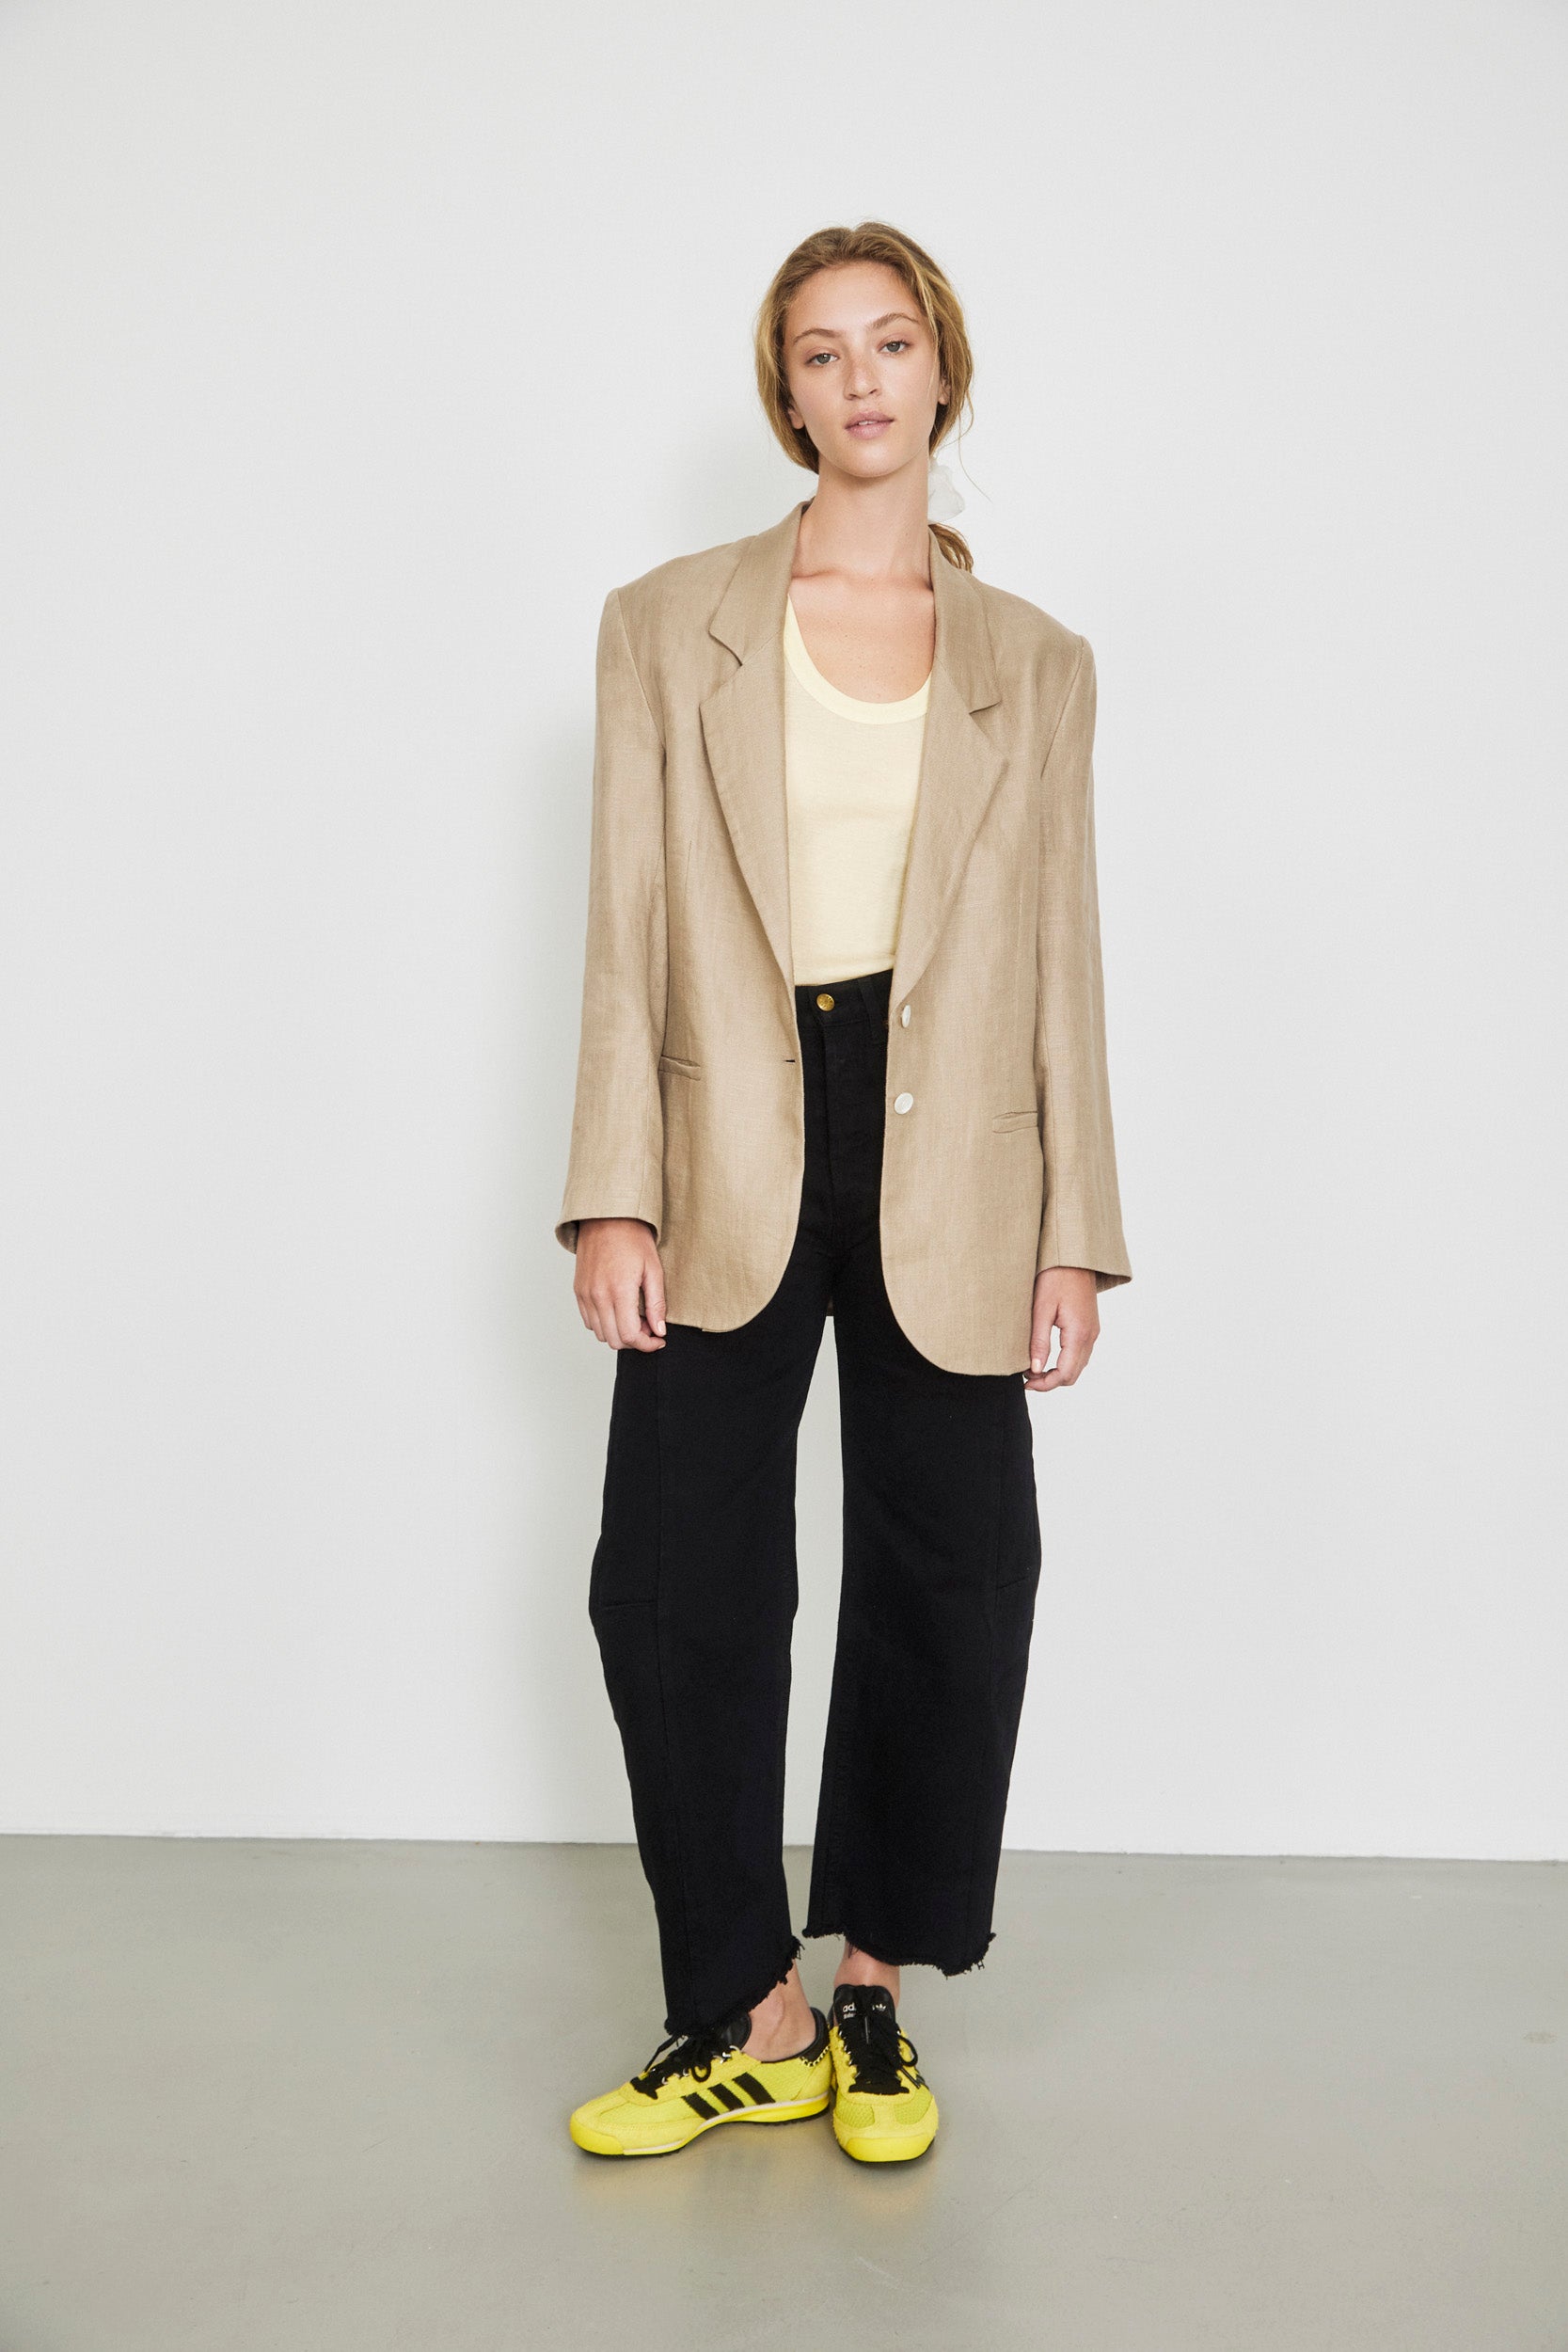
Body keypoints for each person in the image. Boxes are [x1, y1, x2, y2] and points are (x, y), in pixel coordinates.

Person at [553, 221, 1132, 2164]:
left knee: (951, 1572)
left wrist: (1075, 1231)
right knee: (670, 1578)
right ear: (785, 390)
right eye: (821, 350)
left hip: (954, 1138)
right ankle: (750, 2006)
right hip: (728, 1123)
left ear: (941, 370)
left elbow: (1060, 955)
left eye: (892, 342)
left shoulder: (1038, 663)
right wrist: (612, 1191)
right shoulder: (668, 622)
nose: (861, 378)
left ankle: (874, 1985)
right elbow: (625, 923)